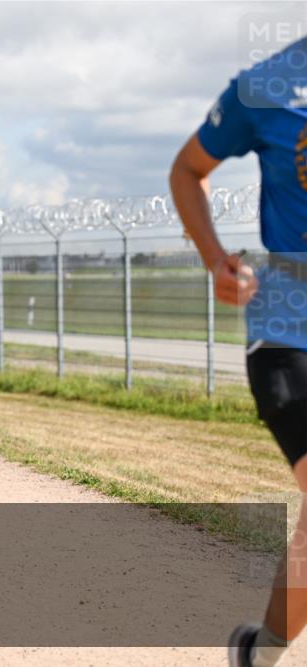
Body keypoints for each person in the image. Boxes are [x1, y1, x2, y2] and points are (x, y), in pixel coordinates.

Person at [169, 37, 307, 667]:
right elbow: (187, 170)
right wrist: (214, 260)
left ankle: (262, 651)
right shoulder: (266, 86)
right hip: (287, 328)